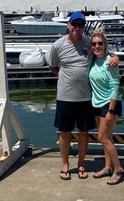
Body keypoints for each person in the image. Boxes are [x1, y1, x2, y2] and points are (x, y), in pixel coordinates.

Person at [46, 12, 118, 181]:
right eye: (74, 25)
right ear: (68, 25)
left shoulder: (89, 41)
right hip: (65, 96)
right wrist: (62, 77)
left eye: (80, 25)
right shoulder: (57, 45)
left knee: (84, 133)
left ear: (83, 27)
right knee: (64, 132)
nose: (77, 28)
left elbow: (106, 51)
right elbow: (52, 66)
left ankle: (81, 163)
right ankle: (65, 164)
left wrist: (116, 56)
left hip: (86, 97)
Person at [88, 29, 124, 185]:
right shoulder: (92, 60)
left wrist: (110, 110)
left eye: (100, 43)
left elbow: (115, 87)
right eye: (94, 44)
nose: (97, 46)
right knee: (107, 139)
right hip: (96, 103)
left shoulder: (111, 62)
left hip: (110, 104)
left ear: (105, 45)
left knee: (102, 138)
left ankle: (118, 170)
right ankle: (107, 167)